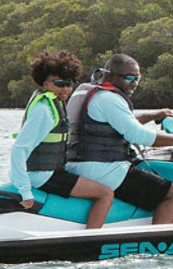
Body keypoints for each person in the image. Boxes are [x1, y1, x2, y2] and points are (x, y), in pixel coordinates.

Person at [65, 53, 173, 226]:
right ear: (109, 74)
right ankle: (159, 244)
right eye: (128, 78)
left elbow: (122, 121)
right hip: (102, 169)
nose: (134, 83)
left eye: (137, 78)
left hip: (77, 165)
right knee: (172, 193)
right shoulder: (109, 98)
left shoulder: (90, 92)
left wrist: (155, 114)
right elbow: (138, 135)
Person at [8, 50, 116, 229]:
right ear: (45, 83)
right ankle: (91, 240)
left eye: (69, 83)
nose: (65, 88)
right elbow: (20, 149)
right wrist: (25, 190)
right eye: (59, 83)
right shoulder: (44, 109)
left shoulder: (53, 102)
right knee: (105, 193)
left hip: (47, 172)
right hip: (41, 176)